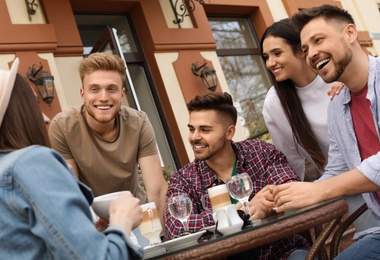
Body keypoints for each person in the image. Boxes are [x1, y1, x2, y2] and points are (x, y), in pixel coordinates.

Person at [271, 5, 380, 259]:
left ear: (349, 33)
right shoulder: (337, 106)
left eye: (318, 40)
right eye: (305, 49)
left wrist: (320, 190)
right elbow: (336, 171)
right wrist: (279, 198)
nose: (312, 53)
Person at [0, 58, 143, 259]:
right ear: (19, 114)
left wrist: (86, 233)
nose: (46, 118)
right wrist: (122, 221)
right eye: (34, 104)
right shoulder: (32, 162)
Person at [164, 92, 311, 259]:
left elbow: (292, 190)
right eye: (192, 129)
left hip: (281, 253)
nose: (194, 137)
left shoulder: (261, 153)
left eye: (204, 130)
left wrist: (268, 206)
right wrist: (238, 213)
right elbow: (175, 227)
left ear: (229, 132)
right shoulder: (183, 179)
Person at [49, 52, 167, 225]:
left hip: (136, 217)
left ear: (122, 94)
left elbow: (157, 190)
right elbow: (72, 191)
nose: (103, 97)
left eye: (111, 88)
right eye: (94, 89)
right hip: (93, 222)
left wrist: (163, 238)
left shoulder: (139, 123)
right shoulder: (62, 126)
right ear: (83, 94)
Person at [261, 18, 343, 181]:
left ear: (301, 50)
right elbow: (289, 160)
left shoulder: (338, 78)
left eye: (277, 53)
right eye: (266, 57)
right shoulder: (274, 104)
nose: (270, 63)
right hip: (336, 185)